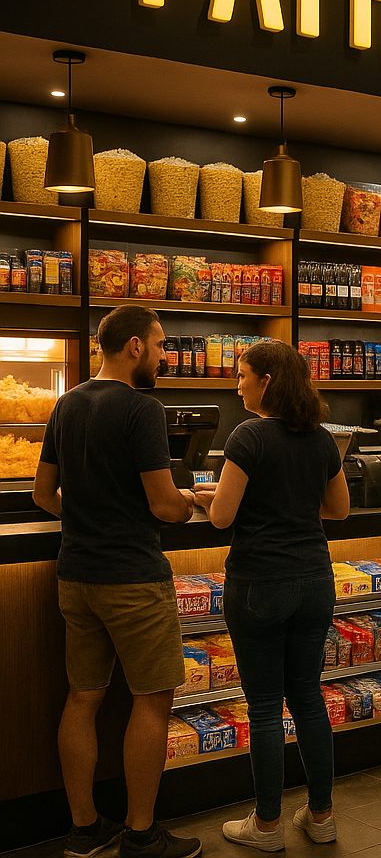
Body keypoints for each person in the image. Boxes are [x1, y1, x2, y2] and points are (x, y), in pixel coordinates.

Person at [31, 305, 202, 858]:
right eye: (158, 345)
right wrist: (191, 505)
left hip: (75, 574)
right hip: (132, 577)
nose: (162, 355)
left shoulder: (66, 402)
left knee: (83, 697)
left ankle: (84, 831)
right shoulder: (142, 409)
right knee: (152, 700)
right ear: (133, 346)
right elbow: (162, 504)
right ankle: (142, 834)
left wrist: (88, 520)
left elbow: (41, 494)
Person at [201, 340, 350, 849]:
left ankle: (266, 826)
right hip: (314, 579)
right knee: (308, 698)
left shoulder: (248, 436)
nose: (236, 384)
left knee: (264, 707)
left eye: (242, 375)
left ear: (266, 381)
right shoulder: (321, 438)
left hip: (259, 583)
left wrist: (216, 500)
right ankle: (322, 816)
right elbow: (339, 510)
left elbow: (222, 516)